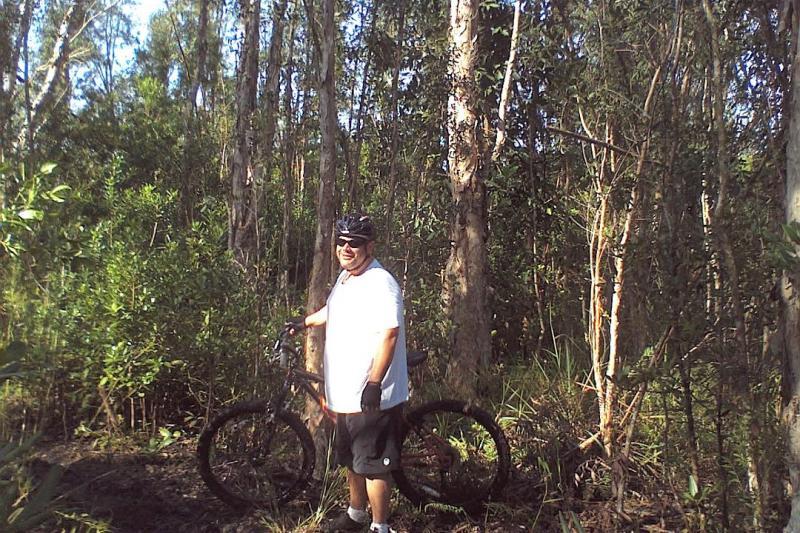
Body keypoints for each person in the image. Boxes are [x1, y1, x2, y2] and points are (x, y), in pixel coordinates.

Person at [287, 214, 408, 533]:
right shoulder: (346, 278)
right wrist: (304, 323)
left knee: (372, 466)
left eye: (354, 243)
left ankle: (380, 527)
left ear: (369, 246)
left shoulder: (380, 282)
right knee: (352, 460)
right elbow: (333, 310)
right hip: (344, 392)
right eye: (341, 242)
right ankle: (356, 515)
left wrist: (373, 382)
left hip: (370, 394)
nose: (346, 248)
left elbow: (390, 334)